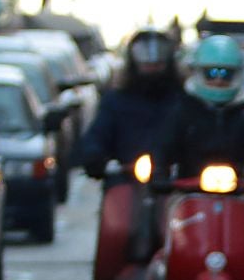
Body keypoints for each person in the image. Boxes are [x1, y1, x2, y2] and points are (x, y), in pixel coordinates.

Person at [152, 34, 244, 180]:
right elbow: (162, 144)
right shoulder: (182, 109)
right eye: (211, 73)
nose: (218, 80)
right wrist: (158, 173)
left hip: (237, 192)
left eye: (227, 74)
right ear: (198, 72)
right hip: (187, 189)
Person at [77, 29, 185, 179]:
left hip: (172, 185)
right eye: (145, 60)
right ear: (134, 61)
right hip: (125, 181)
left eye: (158, 61)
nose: (152, 65)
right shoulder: (116, 101)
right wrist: (94, 156)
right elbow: (98, 134)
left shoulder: (183, 101)